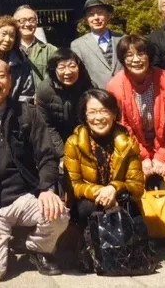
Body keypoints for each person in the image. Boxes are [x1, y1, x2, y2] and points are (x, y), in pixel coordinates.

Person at [0, 57, 68, 281]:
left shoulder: (28, 114)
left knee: (59, 214)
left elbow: (47, 155)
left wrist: (47, 189)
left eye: (0, 76)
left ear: (11, 81)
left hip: (24, 197)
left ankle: (34, 247)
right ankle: (2, 242)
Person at [106, 35, 165, 193]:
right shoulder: (115, 87)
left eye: (141, 54)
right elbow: (123, 127)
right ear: (122, 59)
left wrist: (162, 157)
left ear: (149, 56)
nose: (136, 60)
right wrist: (143, 157)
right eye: (129, 55)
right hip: (135, 148)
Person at [63, 88, 145, 227]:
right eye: (93, 112)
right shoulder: (74, 142)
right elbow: (74, 186)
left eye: (104, 111)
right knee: (87, 208)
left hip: (119, 198)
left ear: (114, 114)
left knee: (130, 209)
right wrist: (100, 193)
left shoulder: (128, 142)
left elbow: (137, 186)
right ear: (85, 115)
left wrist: (114, 188)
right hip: (89, 201)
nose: (98, 118)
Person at [35, 48, 95, 157]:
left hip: (85, 140)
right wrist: (62, 154)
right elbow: (48, 126)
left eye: (72, 66)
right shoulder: (45, 90)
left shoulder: (89, 87)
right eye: (62, 67)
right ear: (54, 70)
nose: (68, 72)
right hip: (55, 143)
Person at [70, 0, 124, 89]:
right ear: (86, 20)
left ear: (108, 16)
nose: (96, 18)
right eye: (91, 14)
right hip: (96, 98)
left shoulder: (122, 39)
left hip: (124, 95)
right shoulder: (77, 45)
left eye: (100, 13)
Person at [14, 5, 57, 88]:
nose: (27, 24)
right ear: (15, 23)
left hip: (42, 99)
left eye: (32, 20)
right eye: (22, 20)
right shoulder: (9, 50)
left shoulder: (50, 50)